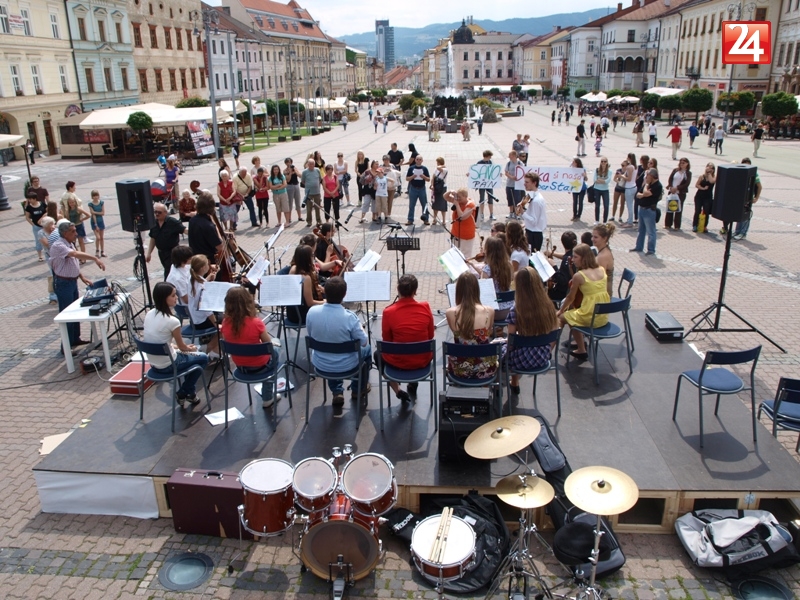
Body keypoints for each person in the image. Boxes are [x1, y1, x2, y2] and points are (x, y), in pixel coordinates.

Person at [306, 276, 372, 406]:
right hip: (347, 366)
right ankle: (358, 389)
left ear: (325, 292)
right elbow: (364, 342)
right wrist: (360, 328)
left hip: (321, 364)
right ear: (344, 294)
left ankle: (337, 392)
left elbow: (311, 333)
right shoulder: (350, 317)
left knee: (330, 346)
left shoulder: (312, 312)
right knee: (367, 349)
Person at [143, 282, 208, 406]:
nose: (176, 297)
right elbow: (183, 348)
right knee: (203, 358)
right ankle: (184, 392)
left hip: (154, 364)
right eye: (173, 295)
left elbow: (160, 342)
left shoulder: (149, 314)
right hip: (169, 365)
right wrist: (191, 349)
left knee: (194, 359)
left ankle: (191, 393)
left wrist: (181, 348)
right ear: (164, 298)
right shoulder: (173, 321)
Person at [220, 287, 280, 408]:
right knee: (276, 346)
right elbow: (268, 344)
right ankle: (267, 396)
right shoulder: (256, 322)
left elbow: (229, 341)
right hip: (260, 367)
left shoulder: (225, 323)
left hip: (240, 367)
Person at [378, 274, 434, 402]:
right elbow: (430, 336)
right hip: (421, 361)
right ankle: (413, 383)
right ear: (415, 291)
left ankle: (397, 390)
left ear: (398, 289)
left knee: (377, 354)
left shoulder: (388, 312)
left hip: (398, 363)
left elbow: (387, 341)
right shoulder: (425, 307)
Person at [50, 221, 106, 348]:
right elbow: (75, 254)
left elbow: (72, 262)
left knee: (75, 312)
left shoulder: (69, 243)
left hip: (72, 282)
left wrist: (81, 276)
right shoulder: (59, 245)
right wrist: (95, 258)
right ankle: (66, 346)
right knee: (67, 315)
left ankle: (75, 339)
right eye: (73, 231)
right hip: (64, 284)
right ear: (65, 233)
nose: (76, 234)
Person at [507, 267, 559, 395]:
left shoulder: (516, 309)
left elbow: (510, 343)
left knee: (501, 353)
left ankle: (513, 383)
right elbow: (555, 333)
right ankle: (514, 382)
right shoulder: (549, 305)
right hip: (543, 356)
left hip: (521, 359)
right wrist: (547, 351)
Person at [557, 244, 610, 361]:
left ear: (584, 258)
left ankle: (550, 351)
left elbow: (570, 297)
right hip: (602, 317)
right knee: (572, 316)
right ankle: (581, 349)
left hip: (590, 317)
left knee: (561, 317)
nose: (573, 259)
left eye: (575, 257)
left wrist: (560, 310)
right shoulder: (602, 269)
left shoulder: (579, 276)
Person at [445, 272, 498, 380]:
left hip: (460, 370)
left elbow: (456, 334)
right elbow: (488, 333)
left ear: (458, 290)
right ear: (477, 289)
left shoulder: (450, 313)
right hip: (485, 369)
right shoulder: (490, 311)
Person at [186, 255, 220, 357]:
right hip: (202, 321)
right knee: (228, 323)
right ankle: (210, 348)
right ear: (202, 268)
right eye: (207, 264)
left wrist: (208, 279)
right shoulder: (201, 287)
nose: (209, 266)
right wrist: (217, 325)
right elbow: (207, 310)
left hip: (194, 318)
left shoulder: (191, 278)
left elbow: (201, 285)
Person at [146, 201, 185, 278]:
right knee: (169, 270)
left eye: (159, 212)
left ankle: (167, 284)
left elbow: (184, 230)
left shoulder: (172, 222)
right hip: (161, 253)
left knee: (168, 272)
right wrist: (149, 253)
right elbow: (153, 238)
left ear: (165, 213)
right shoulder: (154, 223)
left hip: (172, 252)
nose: (157, 214)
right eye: (155, 212)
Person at [287, 245, 325, 324]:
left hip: (291, 312)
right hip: (302, 316)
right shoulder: (306, 278)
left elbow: (299, 288)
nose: (314, 257)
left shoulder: (293, 269)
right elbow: (310, 303)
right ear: (307, 258)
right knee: (330, 306)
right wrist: (325, 302)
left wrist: (318, 287)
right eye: (312, 255)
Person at [480, 236, 514, 319]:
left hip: (494, 312)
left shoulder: (487, 269)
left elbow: (483, 292)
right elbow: (512, 280)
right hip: (510, 309)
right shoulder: (509, 266)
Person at [631, 168, 663, 255]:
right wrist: (644, 193)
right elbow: (638, 194)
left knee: (651, 231)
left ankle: (651, 250)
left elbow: (646, 193)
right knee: (641, 230)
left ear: (652, 176)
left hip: (649, 211)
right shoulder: (648, 184)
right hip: (642, 209)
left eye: (647, 175)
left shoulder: (657, 186)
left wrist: (646, 186)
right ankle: (639, 247)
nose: (646, 177)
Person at [188, 193, 223, 264]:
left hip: (196, 259)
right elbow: (220, 247)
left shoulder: (192, 220)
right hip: (209, 262)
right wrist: (216, 228)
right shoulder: (208, 225)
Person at [516, 172, 547, 252]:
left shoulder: (536, 200)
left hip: (534, 234)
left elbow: (534, 221)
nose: (524, 184)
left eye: (527, 182)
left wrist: (523, 213)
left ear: (534, 183)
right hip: (531, 232)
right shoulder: (532, 195)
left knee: (531, 257)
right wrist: (525, 224)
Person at [732, 157, 762, 240]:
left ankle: (743, 233)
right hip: (740, 197)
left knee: (745, 215)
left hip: (748, 198)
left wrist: (756, 198)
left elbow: (759, 186)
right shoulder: (740, 173)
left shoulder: (754, 174)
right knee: (739, 214)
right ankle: (737, 231)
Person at [546, 231, 578, 304]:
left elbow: (562, 280)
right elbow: (565, 256)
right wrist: (552, 253)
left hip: (563, 293)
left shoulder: (567, 260)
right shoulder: (575, 254)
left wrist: (554, 266)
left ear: (562, 243)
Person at [447, 188, 477, 257]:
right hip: (455, 234)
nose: (458, 198)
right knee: (454, 254)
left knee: (465, 256)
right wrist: (450, 191)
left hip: (466, 236)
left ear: (465, 196)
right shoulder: (458, 201)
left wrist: (457, 205)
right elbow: (445, 197)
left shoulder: (470, 205)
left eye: (459, 197)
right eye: (457, 196)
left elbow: (462, 217)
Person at [665, 158, 692, 230]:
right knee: (670, 207)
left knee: (679, 209)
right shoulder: (675, 170)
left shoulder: (688, 173)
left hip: (680, 193)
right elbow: (670, 179)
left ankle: (677, 226)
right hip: (672, 191)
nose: (681, 164)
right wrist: (671, 186)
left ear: (687, 164)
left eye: (683, 163)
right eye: (681, 163)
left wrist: (677, 188)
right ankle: (668, 224)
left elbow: (687, 183)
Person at [23, 189, 48, 261]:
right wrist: (33, 225)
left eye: (30, 199)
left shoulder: (42, 204)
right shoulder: (29, 207)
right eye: (29, 199)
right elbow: (27, 217)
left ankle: (48, 253)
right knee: (38, 241)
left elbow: (47, 211)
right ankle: (40, 256)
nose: (29, 200)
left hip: (44, 225)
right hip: (36, 227)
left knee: (47, 239)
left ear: (35, 198)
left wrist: (45, 216)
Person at [405, 155, 431, 225]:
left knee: (424, 204)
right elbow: (407, 178)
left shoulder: (424, 168)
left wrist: (423, 176)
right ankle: (410, 219)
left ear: (422, 161)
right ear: (415, 160)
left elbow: (428, 179)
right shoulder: (411, 168)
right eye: (417, 159)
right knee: (411, 205)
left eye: (420, 159)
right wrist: (413, 176)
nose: (418, 161)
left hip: (422, 189)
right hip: (413, 188)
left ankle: (426, 219)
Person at [592, 223, 616, 296]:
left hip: (603, 295)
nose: (592, 239)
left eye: (596, 237)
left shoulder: (603, 256)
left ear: (604, 238)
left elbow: (599, 280)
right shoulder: (604, 250)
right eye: (592, 236)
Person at [692, 163, 716, 233]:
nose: (710, 169)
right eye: (709, 167)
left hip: (708, 197)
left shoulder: (714, 177)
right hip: (699, 196)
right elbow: (697, 185)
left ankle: (704, 226)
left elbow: (712, 181)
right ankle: (695, 225)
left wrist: (709, 174)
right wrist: (703, 188)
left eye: (712, 168)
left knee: (706, 212)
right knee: (697, 211)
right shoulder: (702, 176)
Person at [472, 150, 494, 220]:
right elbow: (476, 172)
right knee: (482, 198)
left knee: (490, 198)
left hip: (489, 183)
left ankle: (491, 214)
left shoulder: (490, 162)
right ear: (486, 156)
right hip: (482, 184)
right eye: (490, 156)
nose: (490, 158)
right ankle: (481, 214)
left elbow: (492, 171)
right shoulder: (479, 163)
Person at [301, 158, 323, 226]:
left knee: (317, 207)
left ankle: (318, 220)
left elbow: (320, 179)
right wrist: (309, 185)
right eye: (310, 164)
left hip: (317, 192)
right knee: (309, 208)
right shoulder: (304, 172)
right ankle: (309, 221)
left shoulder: (317, 170)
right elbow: (303, 181)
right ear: (308, 164)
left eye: (312, 164)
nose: (311, 165)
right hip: (309, 193)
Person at [504, 150, 523, 218]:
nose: (509, 157)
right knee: (509, 199)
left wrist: (519, 177)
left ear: (514, 156)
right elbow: (506, 172)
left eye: (510, 155)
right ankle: (511, 212)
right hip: (509, 184)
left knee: (517, 199)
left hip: (517, 185)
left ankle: (517, 213)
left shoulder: (520, 163)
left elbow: (523, 171)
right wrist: (511, 177)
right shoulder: (509, 163)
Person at [283, 157, 303, 223]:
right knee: (290, 203)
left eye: (290, 162)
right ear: (285, 163)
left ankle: (299, 217)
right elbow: (288, 180)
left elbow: (300, 175)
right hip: (289, 186)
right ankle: (289, 218)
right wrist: (290, 173)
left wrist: (295, 171)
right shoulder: (285, 171)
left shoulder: (294, 168)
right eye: (287, 162)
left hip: (296, 185)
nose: (289, 164)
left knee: (298, 201)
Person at [430, 157, 449, 225]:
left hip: (442, 188)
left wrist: (442, 166)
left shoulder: (445, 169)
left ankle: (444, 220)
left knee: (442, 204)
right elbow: (433, 177)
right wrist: (432, 185)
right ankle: (434, 219)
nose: (437, 163)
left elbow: (438, 168)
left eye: (437, 162)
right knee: (435, 204)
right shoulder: (436, 169)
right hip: (436, 187)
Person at [621, 153, 638, 228]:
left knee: (629, 205)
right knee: (631, 204)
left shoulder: (629, 167)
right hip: (634, 186)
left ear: (629, 158)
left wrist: (622, 176)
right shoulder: (635, 166)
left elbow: (629, 179)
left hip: (629, 187)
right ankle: (629, 219)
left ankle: (630, 222)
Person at [87, 190, 106, 258]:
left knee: (102, 237)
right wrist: (96, 224)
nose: (96, 197)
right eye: (94, 196)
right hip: (94, 222)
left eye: (97, 195)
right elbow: (93, 214)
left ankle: (102, 251)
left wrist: (95, 212)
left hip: (101, 221)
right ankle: (97, 250)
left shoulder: (101, 203)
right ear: (92, 196)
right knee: (98, 237)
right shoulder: (90, 204)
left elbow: (103, 213)